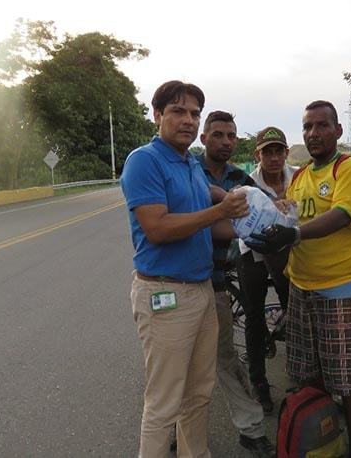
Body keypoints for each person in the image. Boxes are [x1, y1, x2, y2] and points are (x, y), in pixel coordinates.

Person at [121, 81, 248, 457]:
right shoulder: (144, 160)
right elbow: (157, 228)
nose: (188, 120)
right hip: (165, 294)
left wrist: (253, 214)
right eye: (178, 111)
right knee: (163, 402)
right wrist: (220, 210)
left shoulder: (190, 163)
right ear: (158, 115)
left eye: (194, 113)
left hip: (201, 291)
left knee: (198, 393)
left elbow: (209, 205)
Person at [248, 101, 351, 458]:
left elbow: (341, 216)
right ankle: (324, 442)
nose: (313, 133)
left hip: (340, 289)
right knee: (309, 374)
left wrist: (294, 236)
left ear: (338, 130)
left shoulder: (350, 169)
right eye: (307, 127)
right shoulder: (301, 177)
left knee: (350, 379)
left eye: (321, 126)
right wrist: (267, 228)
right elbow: (290, 218)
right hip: (301, 288)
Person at [194, 111, 276, 457]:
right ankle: (177, 431)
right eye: (218, 135)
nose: (225, 141)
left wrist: (277, 213)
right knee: (180, 367)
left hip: (216, 282)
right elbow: (196, 226)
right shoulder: (188, 171)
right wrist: (246, 228)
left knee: (225, 357)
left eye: (231, 135)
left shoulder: (239, 177)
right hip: (182, 279)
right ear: (204, 138)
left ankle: (251, 428)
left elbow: (265, 209)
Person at [236, 126, 297, 412]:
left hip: (287, 251)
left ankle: (300, 377)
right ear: (257, 155)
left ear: (286, 152)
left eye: (278, 151)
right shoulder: (247, 183)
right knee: (254, 316)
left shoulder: (298, 177)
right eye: (267, 152)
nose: (274, 158)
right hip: (253, 253)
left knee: (295, 310)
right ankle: (259, 383)